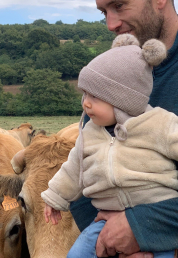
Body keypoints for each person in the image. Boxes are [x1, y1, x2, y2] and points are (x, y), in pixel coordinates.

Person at [70, 0, 178, 258]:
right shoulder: (112, 73)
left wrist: (143, 228)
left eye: (119, 6)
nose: (110, 24)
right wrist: (111, 241)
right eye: (104, 12)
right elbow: (84, 163)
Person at [41, 33, 175, 258]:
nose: (86, 102)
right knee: (75, 255)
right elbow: (74, 169)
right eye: (84, 93)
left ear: (123, 98)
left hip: (160, 222)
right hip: (107, 221)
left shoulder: (160, 124)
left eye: (95, 95)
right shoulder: (89, 132)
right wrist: (55, 197)